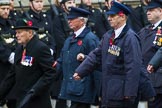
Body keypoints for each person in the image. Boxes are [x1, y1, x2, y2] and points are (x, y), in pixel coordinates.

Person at [73, 1, 155, 108]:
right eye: (108, 15)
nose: (109, 18)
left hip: (122, 94)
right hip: (109, 90)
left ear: (122, 17)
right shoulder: (108, 35)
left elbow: (133, 67)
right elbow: (96, 55)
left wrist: (129, 93)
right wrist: (81, 71)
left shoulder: (130, 38)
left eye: (112, 16)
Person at [0, 18, 57, 108]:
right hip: (22, 98)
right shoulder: (20, 49)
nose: (16, 35)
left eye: (19, 32)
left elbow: (51, 72)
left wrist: (35, 90)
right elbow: (12, 74)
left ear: (30, 33)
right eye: (16, 32)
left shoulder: (40, 48)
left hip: (37, 100)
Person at [55, 7, 100, 108]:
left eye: (72, 18)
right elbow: (62, 59)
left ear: (82, 21)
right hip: (70, 87)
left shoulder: (90, 39)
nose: (69, 21)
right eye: (68, 18)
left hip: (83, 89)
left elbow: (97, 61)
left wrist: (85, 57)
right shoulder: (70, 39)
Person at [138, 0, 162, 108]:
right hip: (146, 80)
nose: (148, 12)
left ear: (160, 11)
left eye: (151, 10)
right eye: (147, 10)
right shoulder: (144, 30)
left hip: (159, 80)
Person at [0, 0, 17, 107]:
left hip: (13, 67)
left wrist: (17, 53)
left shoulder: (11, 23)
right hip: (2, 65)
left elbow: (18, 39)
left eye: (7, 9)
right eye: (3, 9)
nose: (6, 11)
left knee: (13, 98)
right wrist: (9, 55)